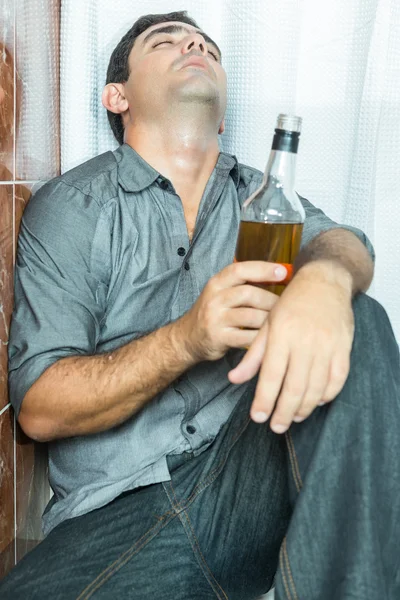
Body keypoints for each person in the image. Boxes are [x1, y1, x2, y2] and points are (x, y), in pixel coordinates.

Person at [1, 10, 399, 600]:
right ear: (118, 96)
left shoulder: (262, 198)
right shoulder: (70, 209)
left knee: (357, 318)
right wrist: (188, 338)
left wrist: (328, 278)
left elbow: (343, 244)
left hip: (246, 487)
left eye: (208, 45)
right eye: (168, 41)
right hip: (113, 516)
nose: (195, 45)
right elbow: (37, 409)